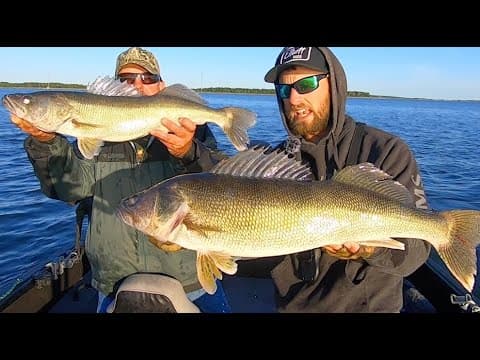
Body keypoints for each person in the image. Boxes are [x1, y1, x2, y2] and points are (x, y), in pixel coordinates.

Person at [10, 47, 230, 313]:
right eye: (126, 80)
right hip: (114, 282)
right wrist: (46, 143)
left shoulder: (192, 130)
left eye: (147, 78)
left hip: (190, 282)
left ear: (162, 85)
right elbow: (68, 189)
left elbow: (222, 184)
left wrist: (188, 151)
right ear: (113, 88)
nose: (137, 84)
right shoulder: (94, 139)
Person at [260, 46, 431, 312]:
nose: (293, 99)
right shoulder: (274, 165)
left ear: (335, 85)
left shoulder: (385, 150)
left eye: (305, 84)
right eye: (284, 89)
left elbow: (417, 251)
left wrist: (373, 250)